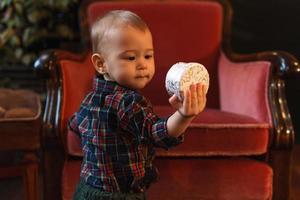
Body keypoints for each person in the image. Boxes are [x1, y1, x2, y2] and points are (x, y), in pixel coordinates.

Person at [68, 10, 207, 200]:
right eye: (131, 58)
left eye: (148, 56)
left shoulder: (89, 99)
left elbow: (75, 125)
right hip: (120, 195)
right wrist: (184, 116)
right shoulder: (129, 102)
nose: (142, 64)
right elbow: (157, 133)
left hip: (87, 190)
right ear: (101, 64)